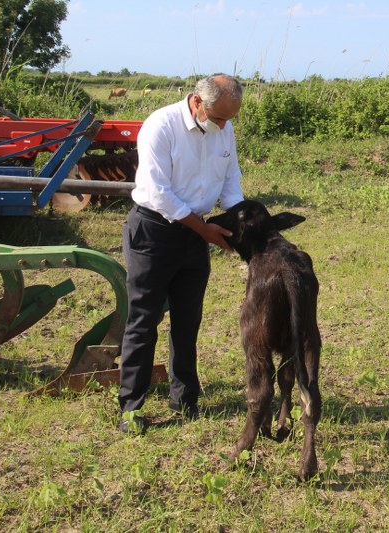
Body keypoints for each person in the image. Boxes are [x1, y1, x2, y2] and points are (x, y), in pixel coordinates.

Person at [118, 74, 244, 433]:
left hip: (194, 234)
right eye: (218, 117)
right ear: (197, 102)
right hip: (154, 232)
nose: (223, 126)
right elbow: (158, 192)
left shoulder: (224, 128)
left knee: (188, 320)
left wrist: (240, 223)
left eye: (229, 119)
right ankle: (131, 407)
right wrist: (203, 230)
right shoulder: (162, 125)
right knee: (143, 321)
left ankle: (185, 397)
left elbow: (231, 181)